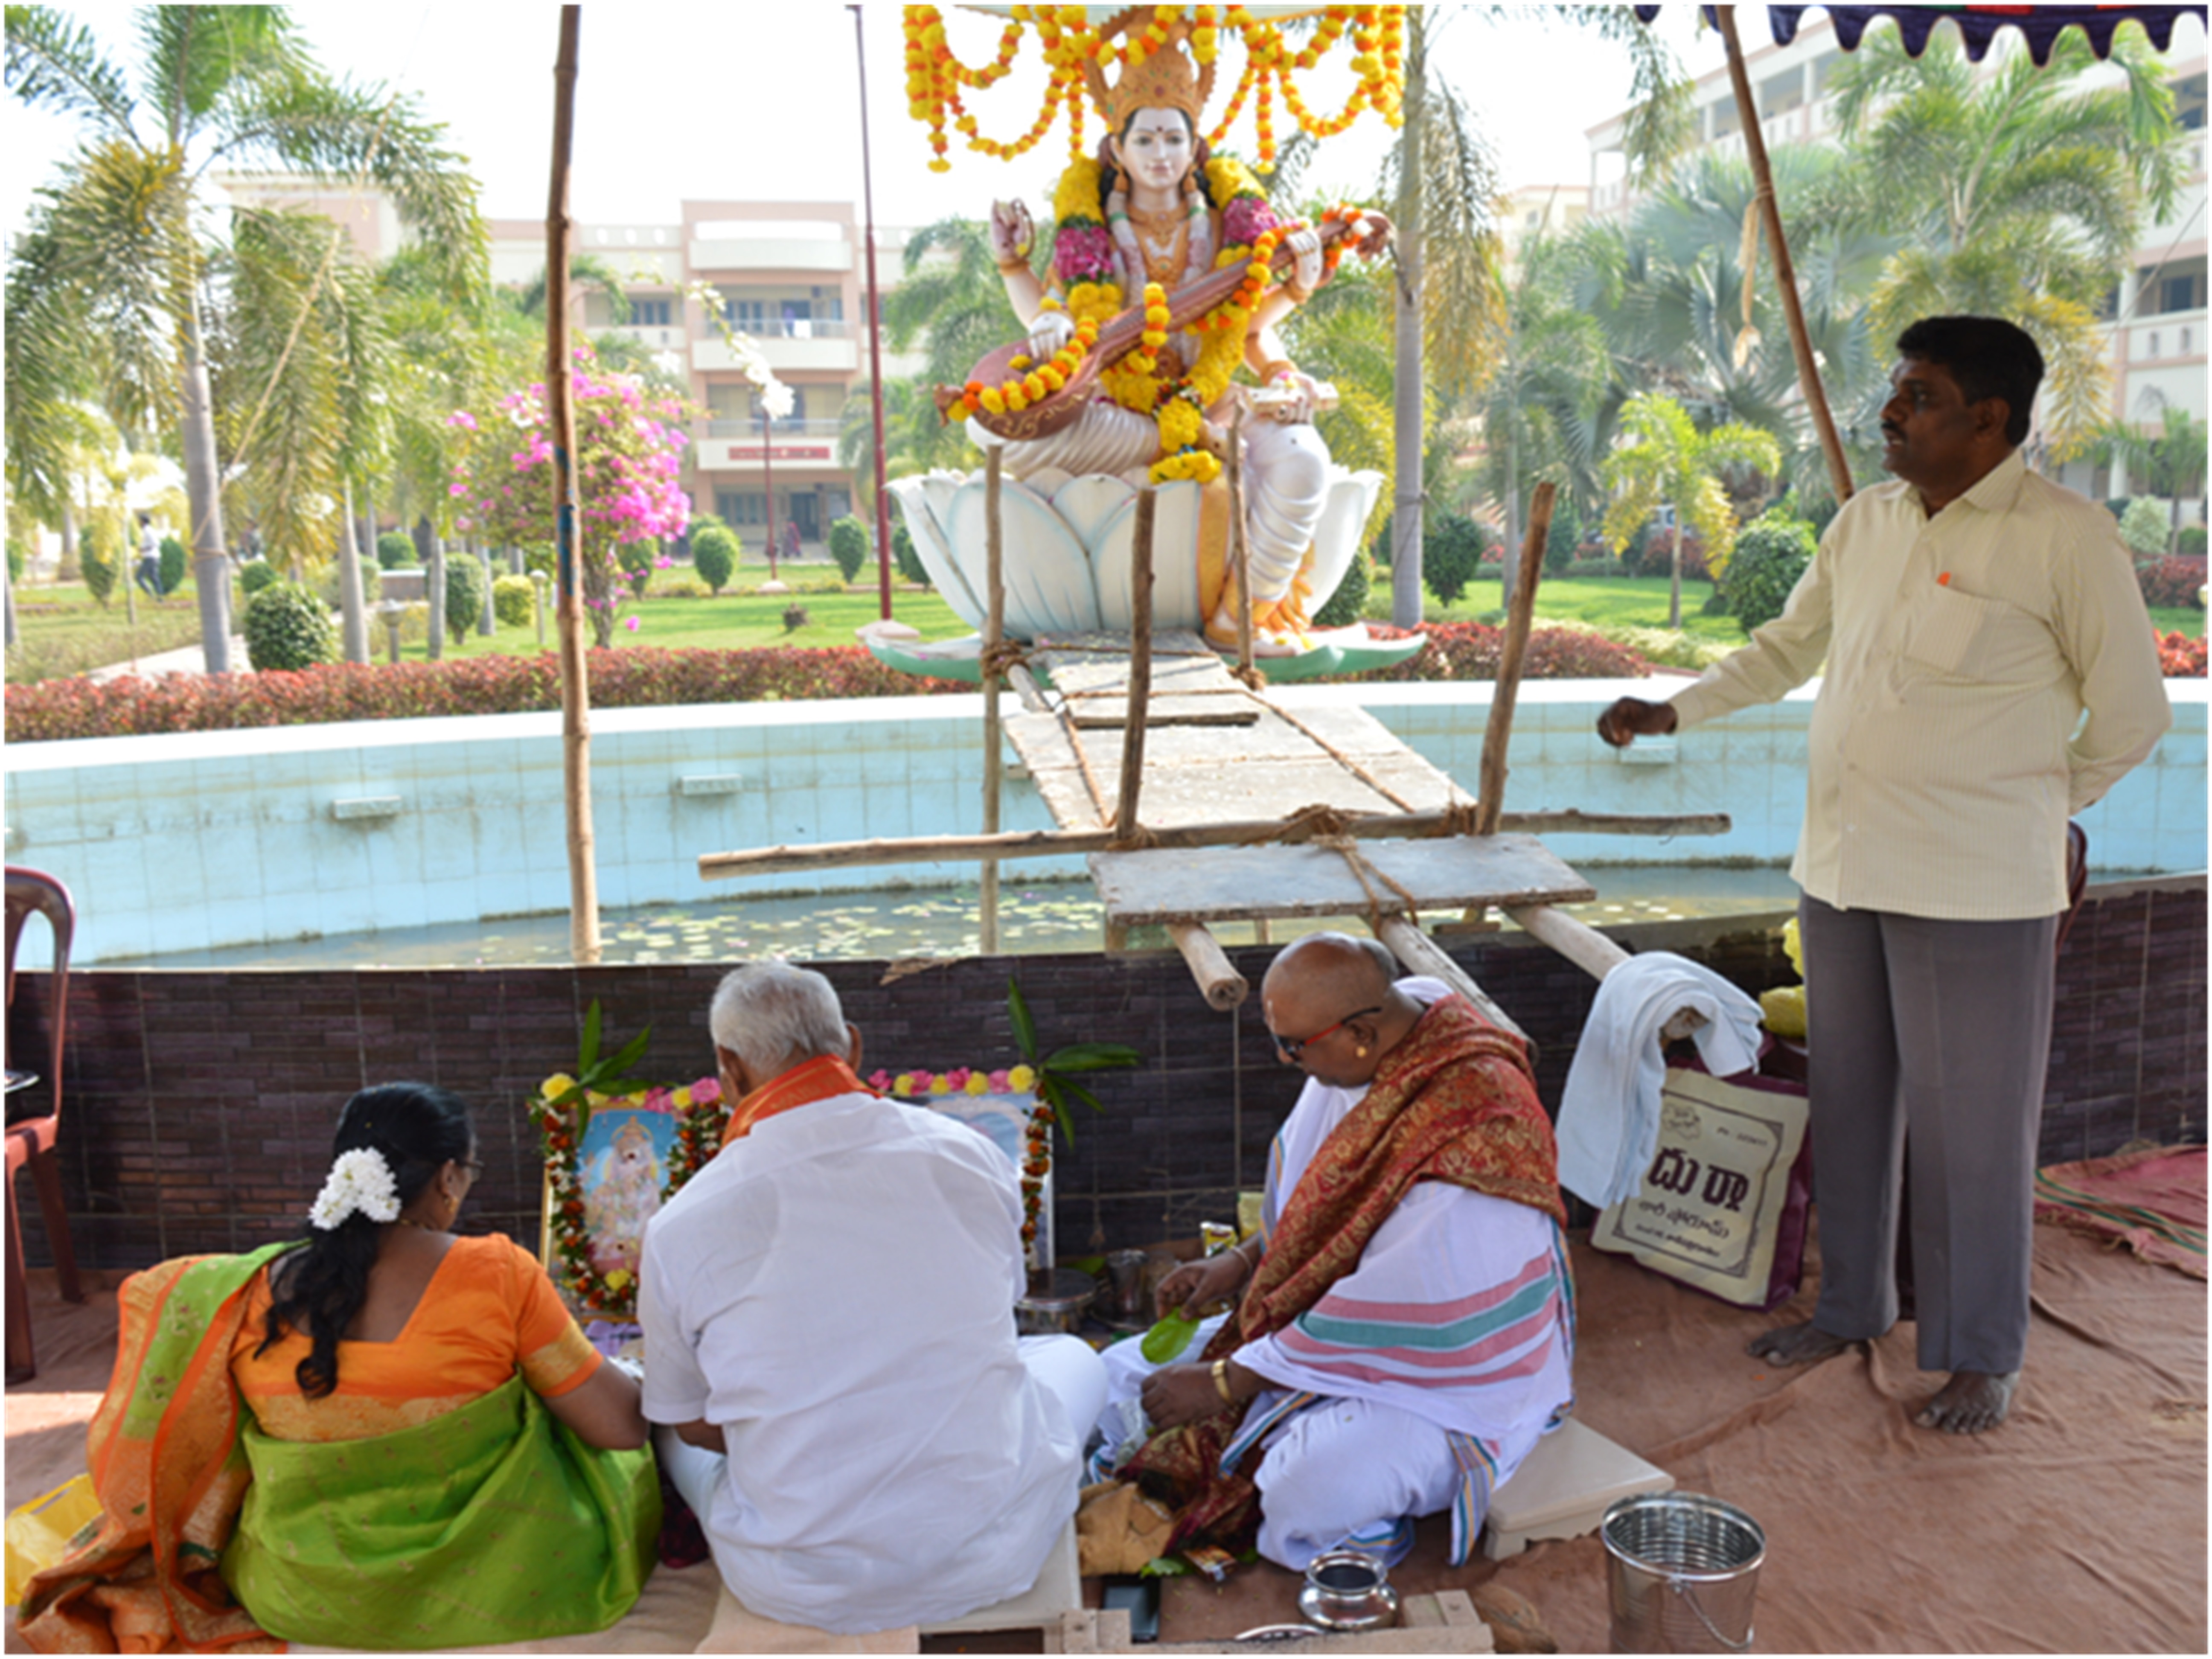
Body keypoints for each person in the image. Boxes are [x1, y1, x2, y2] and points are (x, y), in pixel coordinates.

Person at [1598, 316, 2171, 1435]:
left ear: (1990, 419)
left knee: (1974, 1130)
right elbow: (1788, 647)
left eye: (1918, 396)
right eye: (1895, 392)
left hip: (1979, 889)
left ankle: (1978, 1356)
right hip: (1844, 870)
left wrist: (2039, 808)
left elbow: (2136, 716)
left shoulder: (2066, 537)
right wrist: (1678, 707)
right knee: (1850, 1103)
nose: (1890, 414)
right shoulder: (1866, 522)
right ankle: (1852, 1308)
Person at [17, 1083, 659, 1653]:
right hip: (497, 1582)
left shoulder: (246, 1289)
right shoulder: (497, 1272)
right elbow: (619, 1430)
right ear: (447, 1177)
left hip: (298, 1593)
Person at [639, 961, 1107, 1635]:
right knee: (1068, 1355)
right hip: (994, 1549)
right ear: (852, 1047)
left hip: (799, 1580)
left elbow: (692, 1424)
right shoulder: (969, 1152)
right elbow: (1000, 1317)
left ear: (729, 1069)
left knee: (666, 1425)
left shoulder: (684, 1221)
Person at [1098, 934, 1573, 1572]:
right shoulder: (1374, 1044)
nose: (1285, 1058)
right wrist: (1240, 1263)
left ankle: (1335, 1483)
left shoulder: (1479, 1125)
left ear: (1362, 1032)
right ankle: (1278, 1413)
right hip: (1319, 1325)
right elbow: (1326, 1209)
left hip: (1444, 1378)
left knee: (1302, 1489)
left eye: (1295, 1045)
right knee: (1119, 1375)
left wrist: (1226, 1383)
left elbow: (1417, 1307)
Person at [980, 12, 1353, 653]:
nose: (1160, 155)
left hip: (1212, 401)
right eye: (1145, 141)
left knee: (1304, 460)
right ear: (1117, 151)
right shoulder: (1086, 231)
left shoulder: (1235, 234)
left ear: (1195, 149)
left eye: (1173, 140)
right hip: (1113, 413)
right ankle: (1167, 443)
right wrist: (1016, 269)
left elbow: (1250, 330)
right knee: (993, 429)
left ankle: (1242, 614)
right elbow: (1058, 323)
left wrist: (1290, 327)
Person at [132, 513, 162, 598]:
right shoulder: (147, 530)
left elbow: (156, 543)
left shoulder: (148, 530)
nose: (138, 523)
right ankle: (160, 597)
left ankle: (150, 594)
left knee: (139, 577)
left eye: (139, 521)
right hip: (152, 557)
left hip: (151, 558)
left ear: (143, 522)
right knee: (154, 578)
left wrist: (144, 549)